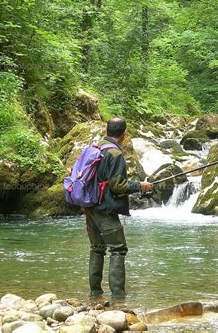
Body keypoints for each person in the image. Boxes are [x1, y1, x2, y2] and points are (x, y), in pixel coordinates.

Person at [85, 117, 153, 299]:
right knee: (118, 249)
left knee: (97, 248)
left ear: (107, 130)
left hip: (89, 205)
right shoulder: (115, 154)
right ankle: (118, 297)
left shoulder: (96, 148)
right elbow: (117, 186)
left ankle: (95, 294)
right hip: (104, 208)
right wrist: (140, 186)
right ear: (124, 134)